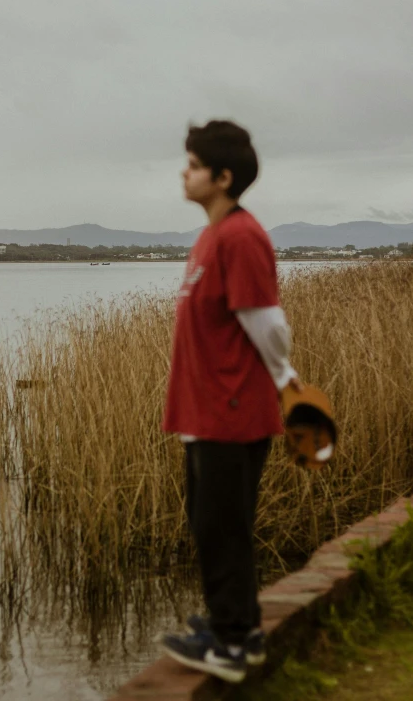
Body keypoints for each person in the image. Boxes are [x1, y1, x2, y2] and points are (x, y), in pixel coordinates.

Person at [161, 120, 302, 684]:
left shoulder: (241, 237)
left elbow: (267, 323)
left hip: (234, 411)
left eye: (193, 165)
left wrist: (288, 383)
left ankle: (236, 645)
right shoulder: (209, 237)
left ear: (222, 177)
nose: (184, 172)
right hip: (206, 412)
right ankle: (229, 628)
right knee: (209, 522)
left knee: (224, 526)